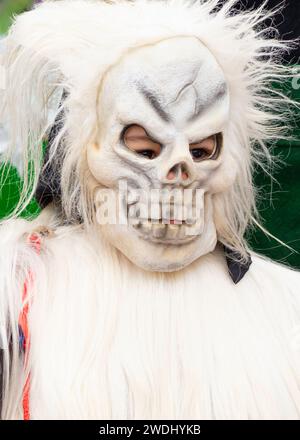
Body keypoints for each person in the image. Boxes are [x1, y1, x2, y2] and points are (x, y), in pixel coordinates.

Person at [0, 0, 300, 420]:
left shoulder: (281, 315)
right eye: (145, 148)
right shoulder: (26, 297)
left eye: (200, 150)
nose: (178, 171)